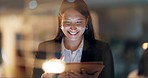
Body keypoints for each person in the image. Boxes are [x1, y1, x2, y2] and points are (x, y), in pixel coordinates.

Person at [32, 0, 114, 78]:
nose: (73, 27)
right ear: (61, 20)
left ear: (86, 21)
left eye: (78, 22)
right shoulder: (46, 48)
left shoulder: (101, 49)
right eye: (68, 22)